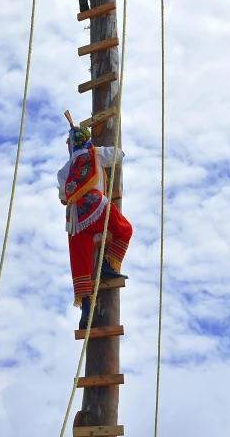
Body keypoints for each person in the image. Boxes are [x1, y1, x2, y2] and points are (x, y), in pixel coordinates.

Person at [57, 124, 133, 329]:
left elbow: (64, 198)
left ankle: (86, 308)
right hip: (96, 206)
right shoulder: (96, 153)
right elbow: (117, 154)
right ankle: (108, 266)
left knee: (80, 263)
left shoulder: (64, 170)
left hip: (74, 220)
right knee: (124, 229)